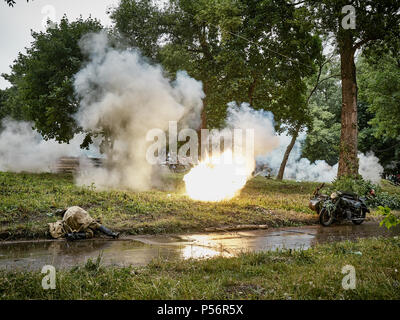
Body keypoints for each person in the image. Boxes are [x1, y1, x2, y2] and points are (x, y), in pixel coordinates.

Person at [48, 206, 119, 240]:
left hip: (77, 215)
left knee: (92, 229)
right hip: (79, 216)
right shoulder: (92, 224)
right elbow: (98, 226)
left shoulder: (68, 211)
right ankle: (73, 236)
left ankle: (112, 234)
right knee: (90, 232)